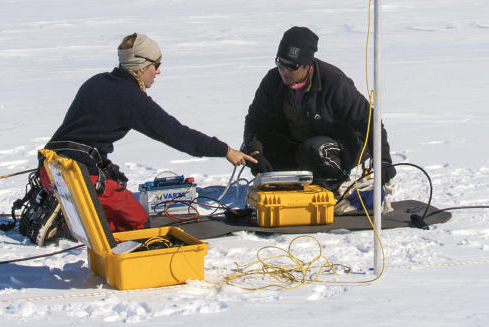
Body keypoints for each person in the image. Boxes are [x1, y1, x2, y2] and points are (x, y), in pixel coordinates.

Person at [40, 32, 255, 235]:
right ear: (142, 67)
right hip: (77, 177)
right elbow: (176, 134)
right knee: (137, 221)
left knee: (114, 195)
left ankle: (68, 211)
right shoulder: (130, 97)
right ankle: (71, 222)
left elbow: (83, 133)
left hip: (50, 169)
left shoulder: (97, 81)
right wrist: (225, 151)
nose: (158, 71)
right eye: (156, 65)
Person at [241, 26, 396, 207]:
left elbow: (369, 121)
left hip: (342, 144)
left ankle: (338, 186)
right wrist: (255, 153)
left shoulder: (334, 82)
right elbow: (255, 122)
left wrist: (383, 160)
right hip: (298, 144)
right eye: (280, 63)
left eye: (291, 66)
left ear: (307, 65)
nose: (284, 70)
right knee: (253, 151)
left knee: (316, 150)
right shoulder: (273, 81)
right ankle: (291, 184)